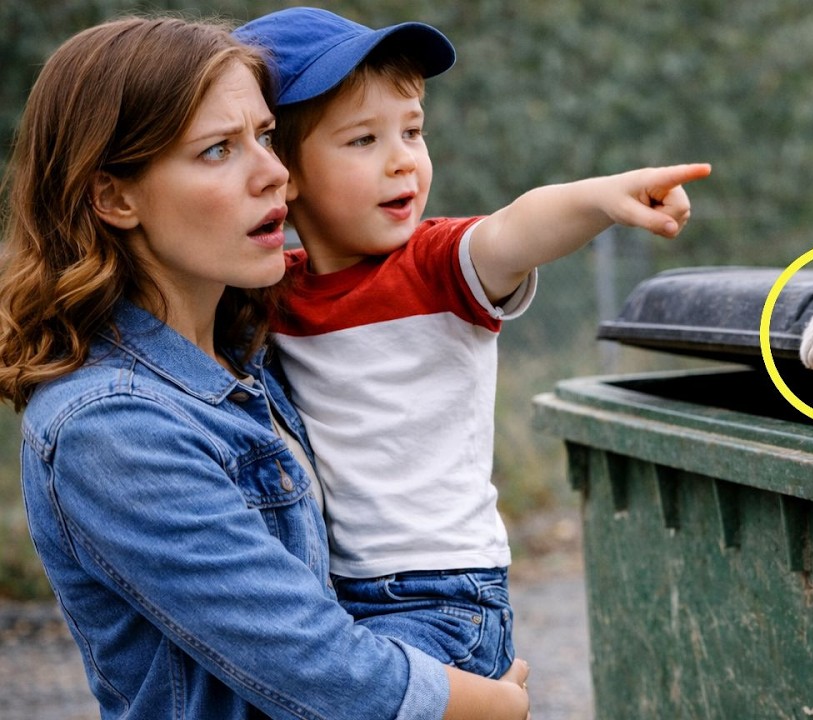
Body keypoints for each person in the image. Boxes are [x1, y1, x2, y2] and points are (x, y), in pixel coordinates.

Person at [0, 16, 530, 719]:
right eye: (219, 150)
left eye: (268, 136)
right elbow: (318, 668)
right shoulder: (113, 425)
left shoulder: (251, 354)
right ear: (114, 197)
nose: (276, 174)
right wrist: (493, 706)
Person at [232, 6, 711, 680]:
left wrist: (601, 198)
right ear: (285, 170)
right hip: (330, 593)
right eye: (363, 141)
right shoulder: (270, 287)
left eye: (413, 131)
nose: (403, 161)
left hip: (443, 594)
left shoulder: (434, 266)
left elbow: (516, 230)